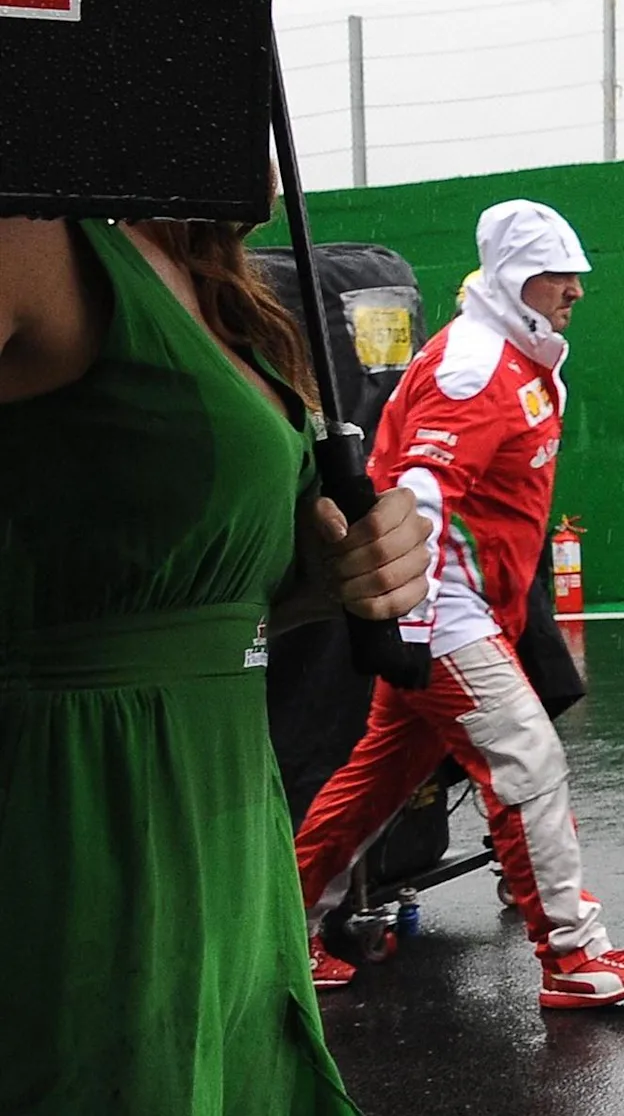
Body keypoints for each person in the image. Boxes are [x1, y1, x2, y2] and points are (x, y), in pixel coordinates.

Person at [2, 212, 432, 1114]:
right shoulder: (32, 242)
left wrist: (322, 583)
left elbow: (170, 593)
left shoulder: (216, 290)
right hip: (79, 824)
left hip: (229, 820)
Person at [288, 200, 624, 1008]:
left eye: (575, 274)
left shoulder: (516, 356)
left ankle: (281, 934)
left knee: (375, 782)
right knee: (527, 758)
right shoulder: (473, 364)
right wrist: (414, 625)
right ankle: (575, 955)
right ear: (512, 280)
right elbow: (422, 496)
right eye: (554, 276)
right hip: (446, 614)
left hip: (454, 612)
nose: (574, 290)